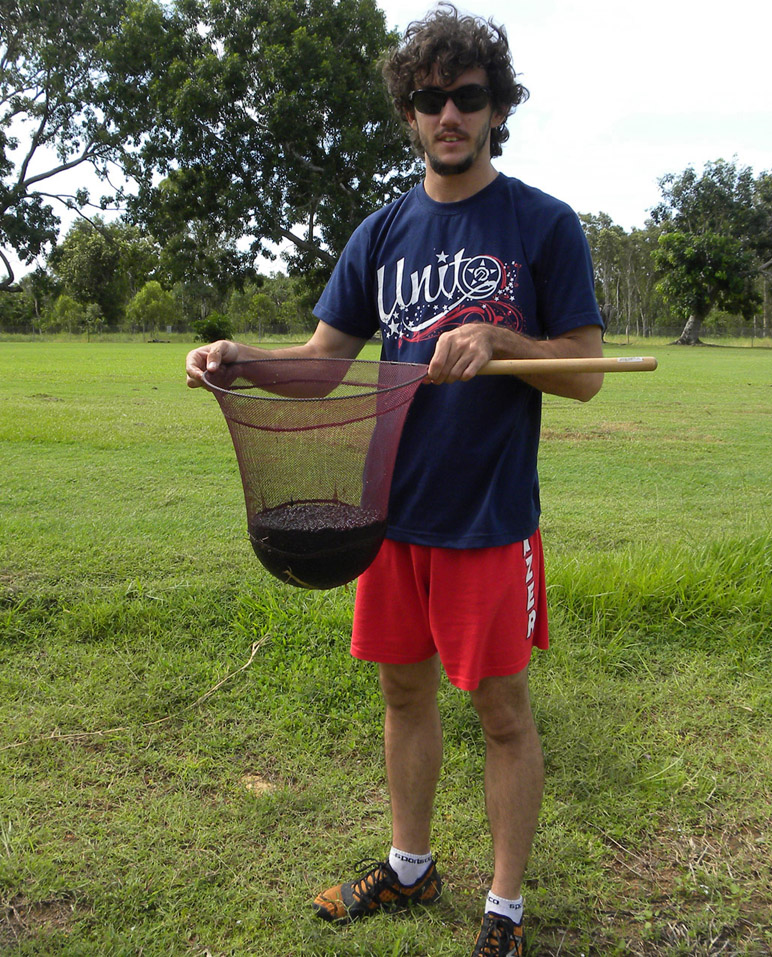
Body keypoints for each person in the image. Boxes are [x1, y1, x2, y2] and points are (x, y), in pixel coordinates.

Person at [186, 5, 605, 954]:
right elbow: (325, 363)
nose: (448, 114)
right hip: (386, 516)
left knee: (501, 711)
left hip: (488, 517)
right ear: (410, 113)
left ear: (496, 107)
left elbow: (581, 371)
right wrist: (241, 357)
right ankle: (411, 867)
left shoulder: (543, 225)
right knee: (403, 696)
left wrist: (502, 338)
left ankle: (504, 908)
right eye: (430, 98)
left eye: (467, 96)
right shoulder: (381, 232)